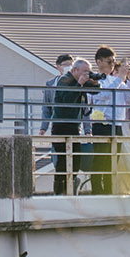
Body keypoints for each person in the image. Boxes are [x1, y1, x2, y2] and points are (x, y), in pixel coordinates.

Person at [90, 46, 130, 196]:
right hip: (102, 124)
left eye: (113, 62)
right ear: (99, 61)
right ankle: (97, 191)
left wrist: (129, 79)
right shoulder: (95, 78)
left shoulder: (115, 79)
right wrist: (120, 78)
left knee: (112, 162)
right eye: (109, 61)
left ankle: (109, 191)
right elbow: (102, 94)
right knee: (100, 161)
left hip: (117, 124)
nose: (112, 65)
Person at [49, 57, 92, 195]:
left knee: (76, 160)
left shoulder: (78, 82)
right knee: (62, 160)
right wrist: (79, 85)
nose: (86, 74)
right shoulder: (64, 80)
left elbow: (96, 91)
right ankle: (59, 191)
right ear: (74, 70)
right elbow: (68, 100)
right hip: (61, 126)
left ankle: (69, 187)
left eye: (88, 72)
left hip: (74, 127)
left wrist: (94, 81)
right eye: (84, 71)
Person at [41, 54, 75, 135]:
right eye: (65, 65)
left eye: (71, 65)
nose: (68, 67)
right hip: (57, 122)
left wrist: (88, 130)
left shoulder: (77, 83)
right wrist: (43, 128)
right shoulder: (51, 84)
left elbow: (84, 108)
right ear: (58, 67)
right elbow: (46, 108)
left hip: (74, 123)